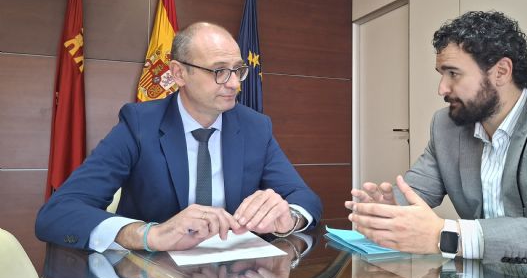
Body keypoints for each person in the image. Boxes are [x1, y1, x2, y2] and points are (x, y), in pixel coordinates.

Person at [346, 11, 527, 275]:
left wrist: (448, 235)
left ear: (501, 72)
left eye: (453, 73)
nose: (442, 88)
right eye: (441, 75)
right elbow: (417, 190)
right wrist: (388, 210)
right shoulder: (446, 126)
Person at [36, 22, 322, 252]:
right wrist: (150, 234)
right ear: (179, 73)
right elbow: (58, 213)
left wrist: (289, 218)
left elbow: (305, 197)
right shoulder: (140, 125)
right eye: (220, 71)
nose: (234, 83)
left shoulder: (254, 127)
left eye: (238, 70)